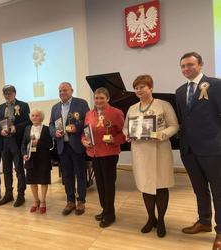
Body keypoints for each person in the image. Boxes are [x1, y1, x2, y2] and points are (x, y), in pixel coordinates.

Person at [123, 75, 179, 237]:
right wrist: (128, 135)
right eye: (137, 88)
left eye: (142, 87)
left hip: (159, 150)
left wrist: (160, 134)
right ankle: (150, 218)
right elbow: (126, 128)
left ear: (151, 88)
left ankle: (161, 220)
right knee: (146, 186)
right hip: (140, 152)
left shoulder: (164, 105)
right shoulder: (132, 108)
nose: (139, 90)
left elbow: (174, 126)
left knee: (161, 185)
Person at [176, 52, 221, 249]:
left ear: (201, 65)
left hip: (212, 148)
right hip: (189, 150)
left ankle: (220, 231)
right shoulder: (179, 91)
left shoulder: (216, 85)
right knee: (199, 190)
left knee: (218, 191)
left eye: (190, 65)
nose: (186, 69)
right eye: (183, 66)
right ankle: (204, 222)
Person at [82, 87, 125, 227]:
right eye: (96, 98)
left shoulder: (116, 113)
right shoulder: (89, 114)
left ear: (108, 99)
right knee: (100, 184)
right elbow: (85, 133)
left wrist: (114, 140)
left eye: (101, 98)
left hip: (109, 154)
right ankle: (104, 209)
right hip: (94, 153)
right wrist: (84, 141)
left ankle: (110, 213)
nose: (98, 100)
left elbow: (124, 133)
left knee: (108, 184)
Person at [49, 82, 89, 216]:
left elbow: (87, 121)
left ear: (71, 90)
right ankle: (70, 201)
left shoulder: (81, 103)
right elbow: (50, 125)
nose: (62, 93)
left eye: (65, 90)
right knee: (67, 176)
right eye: (60, 91)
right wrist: (55, 133)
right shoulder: (55, 107)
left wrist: (75, 128)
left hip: (76, 145)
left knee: (80, 174)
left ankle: (81, 201)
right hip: (62, 146)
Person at [0, 85, 30, 207]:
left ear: (15, 93)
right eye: (5, 93)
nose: (7, 95)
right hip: (4, 142)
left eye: (9, 92)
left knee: (19, 169)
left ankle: (21, 195)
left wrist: (16, 128)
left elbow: (28, 122)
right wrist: (0, 131)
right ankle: (8, 194)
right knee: (6, 170)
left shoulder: (23, 105)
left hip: (17, 141)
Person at [21, 109, 52, 214]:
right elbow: (24, 144)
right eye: (33, 115)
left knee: (43, 180)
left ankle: (43, 201)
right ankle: (36, 201)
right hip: (30, 158)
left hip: (43, 158)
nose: (34, 117)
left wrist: (39, 142)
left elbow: (50, 145)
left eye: (37, 115)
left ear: (41, 118)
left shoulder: (47, 129)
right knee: (32, 181)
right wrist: (24, 154)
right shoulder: (27, 128)